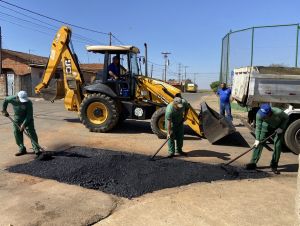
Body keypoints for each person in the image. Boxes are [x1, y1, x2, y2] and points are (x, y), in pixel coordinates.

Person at [246, 103, 289, 174]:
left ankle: (274, 165)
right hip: (265, 127)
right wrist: (257, 139)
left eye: (265, 115)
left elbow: (286, 118)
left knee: (278, 146)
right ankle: (253, 163)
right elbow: (258, 128)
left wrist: (281, 127)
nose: (263, 117)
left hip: (277, 128)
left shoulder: (278, 112)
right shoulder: (259, 114)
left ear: (269, 112)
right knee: (259, 143)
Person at [1, 91, 41, 157]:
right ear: (17, 97)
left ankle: (36, 149)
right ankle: (22, 149)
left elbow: (29, 115)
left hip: (27, 119)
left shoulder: (29, 103)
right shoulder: (12, 99)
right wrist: (4, 110)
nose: (23, 101)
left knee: (31, 133)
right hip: (17, 118)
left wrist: (23, 124)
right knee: (16, 132)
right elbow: (5, 100)